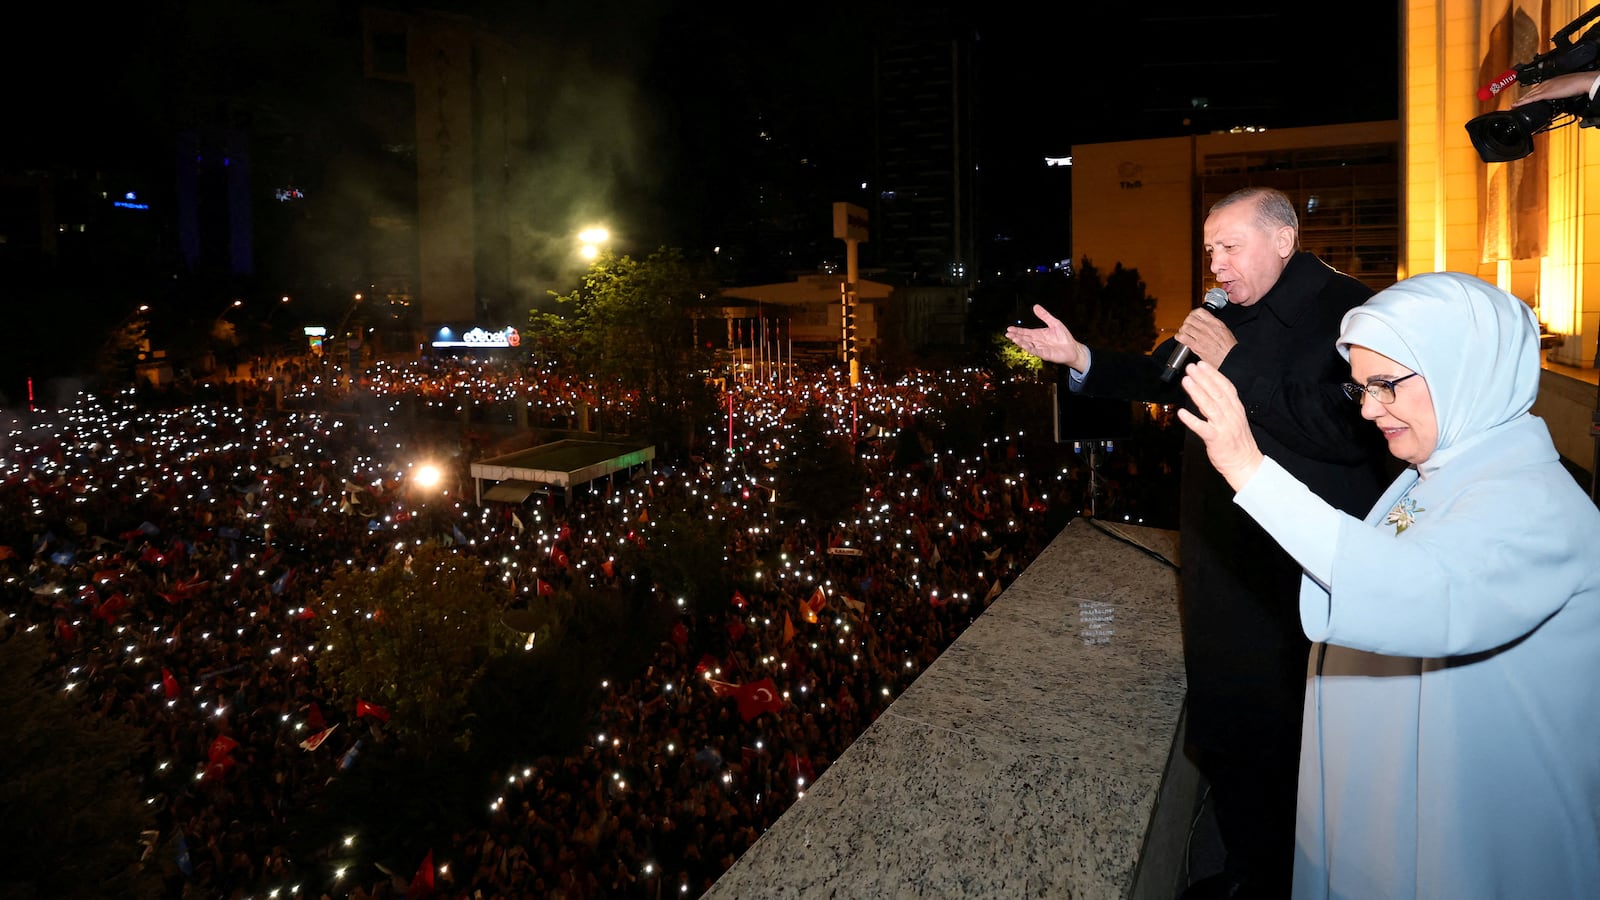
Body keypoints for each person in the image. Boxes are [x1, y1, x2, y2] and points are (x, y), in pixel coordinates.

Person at [1006, 186, 1391, 899]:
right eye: (1210, 248)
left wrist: (1236, 364)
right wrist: (1080, 356)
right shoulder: (1219, 312)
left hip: (1295, 574)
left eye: (1229, 246)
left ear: (1284, 239)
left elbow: (1346, 433)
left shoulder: (1350, 313)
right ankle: (1248, 869)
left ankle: (1292, 878)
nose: (1214, 263)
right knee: (1231, 728)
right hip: (1218, 557)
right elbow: (1163, 380)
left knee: (1292, 742)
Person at [1176, 270, 1600, 898]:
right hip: (1396, 803)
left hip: (1470, 827)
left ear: (1464, 370)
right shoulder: (1435, 471)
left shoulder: (1532, 498)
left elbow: (1422, 594)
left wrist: (1250, 469)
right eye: (1361, 388)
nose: (1370, 409)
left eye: (1386, 385)